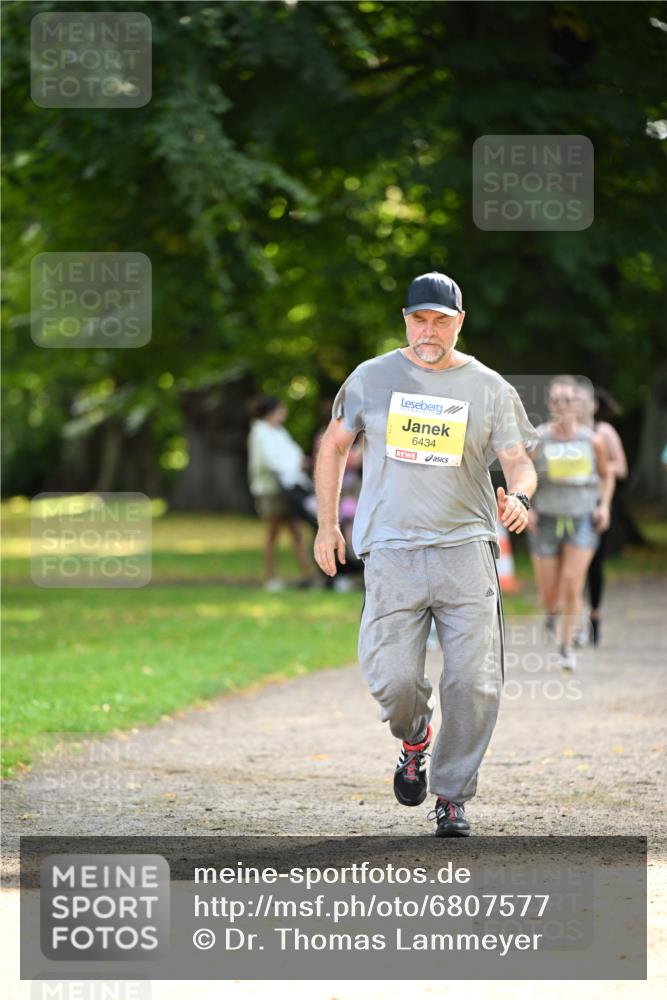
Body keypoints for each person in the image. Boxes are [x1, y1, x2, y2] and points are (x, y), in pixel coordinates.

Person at [313, 271, 538, 838]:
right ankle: (415, 739)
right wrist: (325, 524)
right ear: (406, 320)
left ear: (459, 323)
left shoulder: (489, 387)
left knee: (475, 682)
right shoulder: (372, 377)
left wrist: (522, 497)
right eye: (420, 319)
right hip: (391, 550)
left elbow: (517, 459)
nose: (429, 330)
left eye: (441, 320)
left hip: (466, 551)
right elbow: (334, 445)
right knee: (392, 680)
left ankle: (452, 794)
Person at [525, 376, 614, 669]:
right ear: (549, 404)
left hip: (582, 518)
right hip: (547, 519)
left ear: (579, 405)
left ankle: (566, 646)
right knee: (550, 595)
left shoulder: (593, 440)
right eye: (557, 400)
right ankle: (552, 613)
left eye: (569, 400)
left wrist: (604, 505)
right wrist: (527, 506)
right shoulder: (539, 438)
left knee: (572, 584)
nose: (563, 406)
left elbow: (606, 475)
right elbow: (524, 474)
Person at [576, 382, 628, 646]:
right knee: (572, 564)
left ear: (595, 406)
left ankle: (593, 617)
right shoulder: (566, 433)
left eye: (584, 401)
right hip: (569, 506)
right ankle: (573, 621)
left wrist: (597, 465)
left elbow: (621, 468)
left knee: (593, 565)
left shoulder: (603, 431)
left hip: (597, 505)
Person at [247, 396, 315, 590]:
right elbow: (269, 461)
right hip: (270, 490)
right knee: (272, 533)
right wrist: (295, 464)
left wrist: (301, 462)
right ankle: (271, 577)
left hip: (288, 489)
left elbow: (292, 453)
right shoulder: (260, 433)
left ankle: (308, 574)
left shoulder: (279, 432)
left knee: (296, 532)